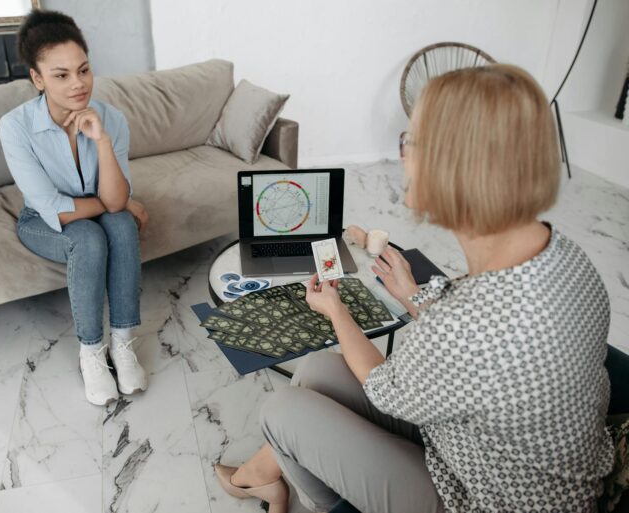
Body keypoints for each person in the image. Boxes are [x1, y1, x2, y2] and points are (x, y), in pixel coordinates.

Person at [215, 64, 614, 512]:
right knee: (317, 372)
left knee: (279, 410)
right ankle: (266, 475)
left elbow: (389, 385)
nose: (403, 156)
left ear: (455, 169)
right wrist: (412, 296)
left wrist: (336, 309)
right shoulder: (567, 256)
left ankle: (320, 500)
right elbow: (480, 357)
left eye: (412, 141)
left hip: (482, 500)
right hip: (495, 457)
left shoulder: (464, 328)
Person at [0, 10, 149, 406]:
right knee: (90, 237)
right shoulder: (14, 127)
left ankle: (122, 342)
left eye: (83, 70)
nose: (78, 84)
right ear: (38, 79)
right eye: (61, 75)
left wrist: (101, 141)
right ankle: (91, 351)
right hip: (41, 221)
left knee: (121, 225)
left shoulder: (112, 118)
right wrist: (118, 203)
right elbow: (54, 208)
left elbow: (115, 203)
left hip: (90, 210)